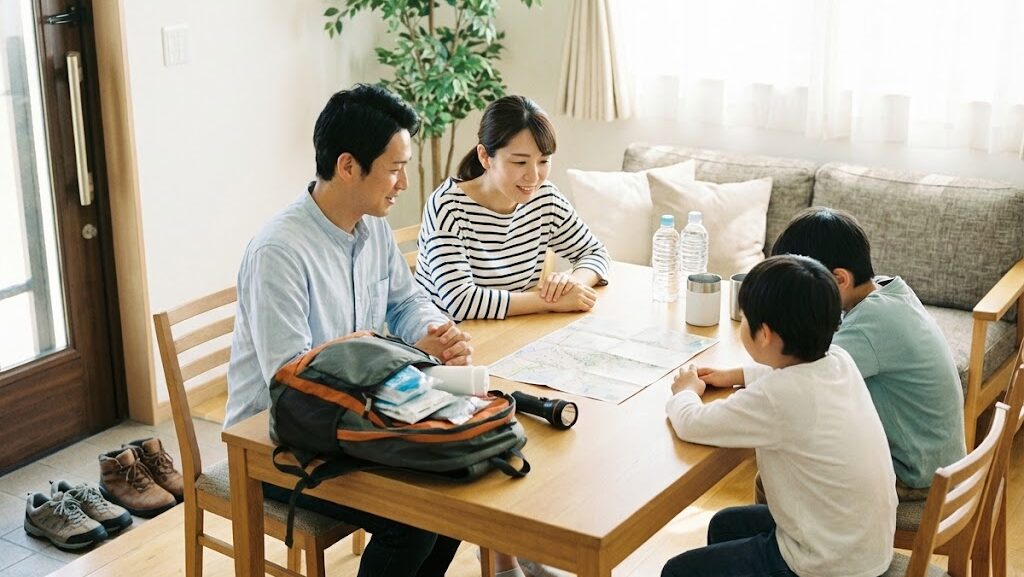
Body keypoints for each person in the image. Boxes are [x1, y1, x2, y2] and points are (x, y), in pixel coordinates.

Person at [224, 84, 472, 577]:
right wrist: (400, 353)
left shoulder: (370, 224)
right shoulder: (279, 252)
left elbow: (405, 301)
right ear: (348, 166)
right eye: (395, 169)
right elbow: (292, 379)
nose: (403, 183)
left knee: (459, 483)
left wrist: (436, 333)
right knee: (416, 518)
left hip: (353, 416)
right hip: (277, 442)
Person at [663, 255, 897, 577]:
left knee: (678, 571)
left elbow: (692, 423)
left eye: (745, 319)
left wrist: (685, 391)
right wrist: (735, 375)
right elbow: (789, 381)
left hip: (826, 564)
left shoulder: (778, 398)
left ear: (764, 334)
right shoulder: (838, 359)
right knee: (724, 524)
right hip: (860, 543)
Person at [771, 207, 966, 500]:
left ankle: (786, 532)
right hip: (937, 460)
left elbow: (806, 376)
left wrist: (742, 371)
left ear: (839, 279)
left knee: (785, 467)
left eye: (800, 290)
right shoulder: (889, 292)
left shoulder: (868, 326)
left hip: (914, 475)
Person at [414, 95, 610, 321]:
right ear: (485, 156)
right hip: (446, 337)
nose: (533, 176)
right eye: (519, 162)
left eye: (543, 161)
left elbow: (595, 252)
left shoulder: (545, 198)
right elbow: (460, 301)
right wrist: (551, 302)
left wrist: (572, 285)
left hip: (510, 330)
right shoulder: (447, 206)